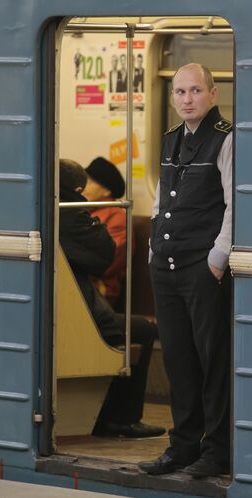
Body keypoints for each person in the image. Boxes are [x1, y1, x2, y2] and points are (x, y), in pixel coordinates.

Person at [138, 64, 233, 478]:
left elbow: (235, 204)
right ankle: (183, 446)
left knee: (212, 360)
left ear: (213, 94)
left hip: (202, 267)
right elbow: (161, 200)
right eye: (179, 92)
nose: (187, 98)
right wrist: (152, 247)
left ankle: (216, 450)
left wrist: (217, 259)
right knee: (178, 359)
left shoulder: (226, 139)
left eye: (195, 90)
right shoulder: (170, 140)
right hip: (167, 264)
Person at [59, 159, 165, 439]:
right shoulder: (76, 215)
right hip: (82, 302)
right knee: (141, 330)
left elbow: (111, 262)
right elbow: (99, 253)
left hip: (100, 291)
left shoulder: (112, 214)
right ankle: (122, 418)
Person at [83, 157, 127, 307]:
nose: (84, 187)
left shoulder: (117, 217)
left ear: (107, 190)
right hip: (84, 282)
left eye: (90, 182)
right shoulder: (83, 211)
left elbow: (109, 260)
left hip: (101, 288)